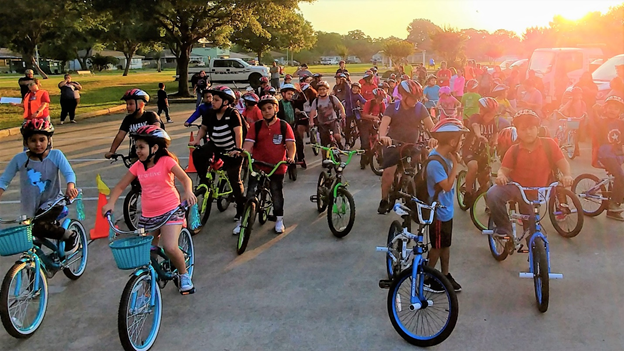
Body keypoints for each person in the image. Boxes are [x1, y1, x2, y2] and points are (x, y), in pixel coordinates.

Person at [102, 126, 196, 294]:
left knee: (170, 247)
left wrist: (188, 192)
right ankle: (147, 282)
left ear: (154, 148)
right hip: (148, 216)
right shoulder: (138, 166)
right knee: (146, 253)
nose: (137, 151)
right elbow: (120, 186)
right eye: (136, 147)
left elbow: (185, 178)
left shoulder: (166, 161)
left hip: (170, 212)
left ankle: (184, 274)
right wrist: (110, 203)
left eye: (141, 147)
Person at [486, 109, 573, 236]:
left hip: (539, 192)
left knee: (531, 230)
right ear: (518, 132)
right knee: (492, 194)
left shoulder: (549, 144)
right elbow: (504, 170)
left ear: (538, 129)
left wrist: (567, 175)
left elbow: (562, 162)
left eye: (531, 128)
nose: (528, 132)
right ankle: (504, 228)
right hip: (518, 189)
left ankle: (534, 251)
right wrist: (501, 176)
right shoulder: (514, 150)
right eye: (523, 129)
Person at [0, 119, 79, 254]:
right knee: (30, 242)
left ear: (49, 140)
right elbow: (4, 180)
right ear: (26, 142)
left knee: (39, 227)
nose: (38, 144)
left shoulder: (56, 155)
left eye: (42, 140)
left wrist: (70, 187)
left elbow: (69, 173)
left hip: (53, 202)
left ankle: (70, 235)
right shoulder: (19, 159)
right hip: (29, 206)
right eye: (33, 140)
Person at [188, 86, 246, 234]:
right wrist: (197, 140)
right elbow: (204, 128)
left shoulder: (233, 114)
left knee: (235, 180)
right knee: (198, 154)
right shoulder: (209, 113)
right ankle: (204, 180)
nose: (212, 102)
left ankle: (241, 210)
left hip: (231, 149)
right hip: (215, 146)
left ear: (226, 102)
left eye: (216, 100)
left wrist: (238, 149)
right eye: (212, 99)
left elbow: (238, 132)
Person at [424, 120, 468, 293]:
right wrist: (455, 165)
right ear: (452, 142)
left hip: (446, 209)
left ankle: (445, 274)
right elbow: (448, 186)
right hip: (438, 212)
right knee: (436, 247)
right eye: (460, 139)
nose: (461, 142)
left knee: (445, 244)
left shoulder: (446, 156)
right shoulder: (435, 162)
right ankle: (428, 278)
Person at [378, 80, 435, 213]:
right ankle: (384, 199)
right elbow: (384, 123)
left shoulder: (420, 108)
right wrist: (382, 136)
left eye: (418, 98)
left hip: (412, 145)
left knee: (418, 171)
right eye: (413, 98)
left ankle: (413, 192)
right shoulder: (392, 107)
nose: (416, 100)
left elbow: (431, 127)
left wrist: (434, 137)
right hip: (393, 144)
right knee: (388, 173)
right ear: (403, 95)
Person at [243, 95, 296, 233]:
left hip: (276, 167)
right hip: (258, 165)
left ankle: (279, 220)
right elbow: (248, 144)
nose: (267, 111)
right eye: (264, 109)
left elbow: (290, 145)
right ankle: (243, 222)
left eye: (269, 108)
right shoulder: (256, 126)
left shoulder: (284, 126)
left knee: (276, 193)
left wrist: (290, 157)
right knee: (250, 192)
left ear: (276, 109)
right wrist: (243, 152)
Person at [462, 97, 511, 206]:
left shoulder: (494, 121)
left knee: (485, 179)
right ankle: (468, 192)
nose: (491, 117)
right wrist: (479, 136)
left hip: (484, 152)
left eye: (493, 114)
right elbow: (475, 126)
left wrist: (494, 142)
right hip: (469, 150)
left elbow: (495, 132)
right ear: (482, 111)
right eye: (489, 114)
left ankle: (488, 204)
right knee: (473, 166)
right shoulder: (475, 118)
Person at [592, 96, 624, 221]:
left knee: (618, 177)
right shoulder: (602, 122)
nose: (612, 110)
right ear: (605, 109)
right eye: (610, 108)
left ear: (620, 111)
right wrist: (594, 110)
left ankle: (617, 199)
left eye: (616, 109)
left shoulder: (621, 123)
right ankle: (613, 205)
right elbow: (594, 123)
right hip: (606, 154)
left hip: (617, 154)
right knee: (619, 175)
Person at [105, 89, 162, 159]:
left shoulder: (151, 116)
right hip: (137, 153)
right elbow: (120, 135)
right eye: (127, 104)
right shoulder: (128, 119)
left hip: (152, 152)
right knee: (134, 168)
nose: (128, 107)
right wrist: (112, 151)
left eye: (131, 104)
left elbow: (156, 130)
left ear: (141, 105)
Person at [309, 80, 346, 148]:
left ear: (327, 90)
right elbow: (312, 112)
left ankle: (339, 143)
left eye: (324, 89)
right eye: (320, 89)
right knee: (324, 145)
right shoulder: (316, 101)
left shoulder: (332, 98)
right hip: (322, 123)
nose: (322, 91)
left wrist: (343, 113)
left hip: (333, 121)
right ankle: (324, 158)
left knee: (337, 136)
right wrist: (311, 122)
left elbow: (340, 106)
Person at [359, 88, 386, 168]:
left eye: (382, 99)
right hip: (366, 123)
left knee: (378, 141)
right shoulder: (369, 103)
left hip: (375, 123)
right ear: (375, 97)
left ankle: (380, 160)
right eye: (379, 99)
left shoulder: (382, 104)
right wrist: (373, 117)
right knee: (365, 143)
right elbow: (364, 115)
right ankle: (363, 161)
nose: (380, 101)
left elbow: (385, 114)